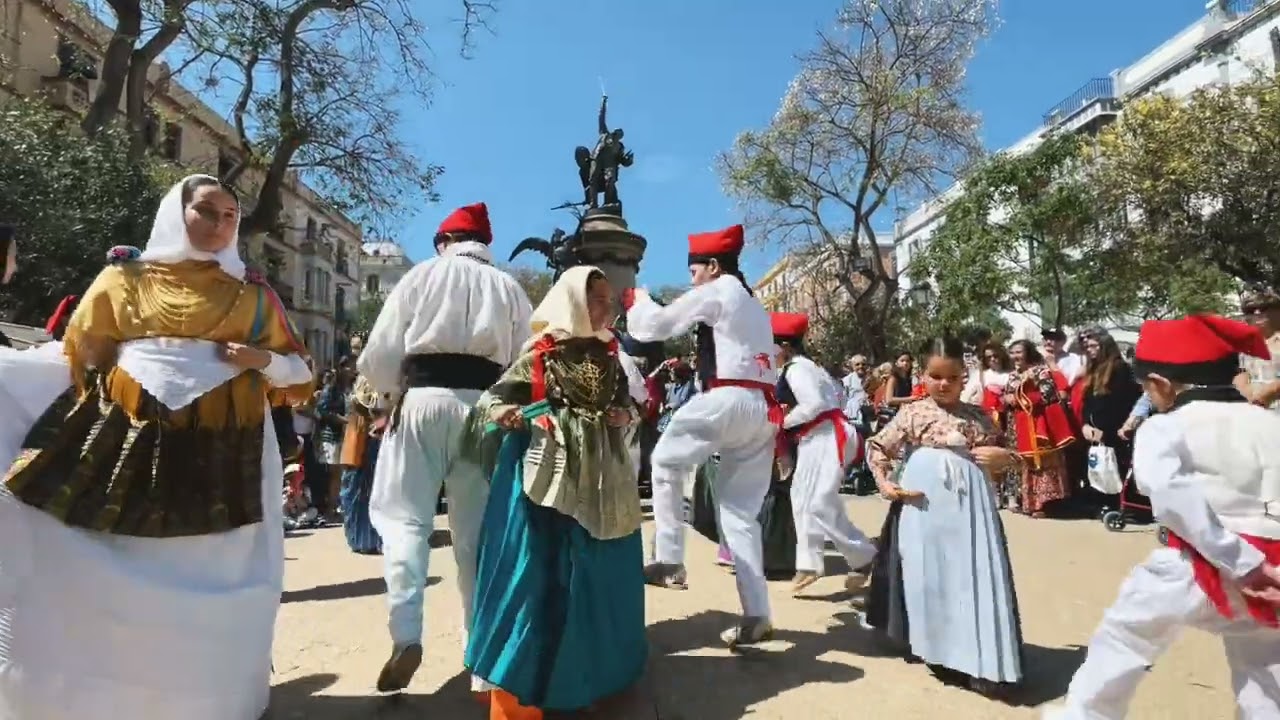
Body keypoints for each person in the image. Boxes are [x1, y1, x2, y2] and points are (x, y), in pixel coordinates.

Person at [0, 174, 313, 719]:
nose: (220, 225)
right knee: (96, 549)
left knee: (219, 563)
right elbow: (78, 354)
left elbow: (299, 371)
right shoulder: (121, 280)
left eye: (231, 216)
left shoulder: (255, 296)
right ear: (178, 212)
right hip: (124, 436)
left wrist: (262, 360)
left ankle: (211, 700)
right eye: (208, 212)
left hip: (227, 443)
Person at [1045, 315, 1280, 719]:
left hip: (1194, 564)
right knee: (1264, 666)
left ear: (1161, 384)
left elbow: (1174, 498)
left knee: (1124, 640)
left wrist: (1239, 560)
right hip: (1272, 567)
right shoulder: (1270, 423)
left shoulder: (1164, 428)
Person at [358, 201, 533, 692]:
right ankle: (481, 659)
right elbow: (524, 363)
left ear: (444, 241)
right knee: (476, 536)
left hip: (421, 401)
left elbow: (379, 354)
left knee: (404, 519)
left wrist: (390, 395)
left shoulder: (421, 276)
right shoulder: (512, 289)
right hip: (484, 408)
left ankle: (406, 632)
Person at [464, 266, 646, 720]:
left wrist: (626, 417)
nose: (608, 309)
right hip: (547, 475)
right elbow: (489, 401)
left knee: (599, 575)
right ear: (573, 303)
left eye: (609, 300)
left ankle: (595, 677)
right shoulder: (541, 355)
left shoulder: (612, 357)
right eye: (598, 300)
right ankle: (528, 685)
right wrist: (509, 413)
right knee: (540, 577)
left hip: (603, 478)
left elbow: (627, 406)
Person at [624, 223, 780, 647]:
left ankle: (670, 558)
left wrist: (636, 298)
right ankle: (757, 612)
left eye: (694, 272)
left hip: (728, 398)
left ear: (712, 265)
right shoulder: (753, 303)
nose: (692, 281)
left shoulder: (720, 289)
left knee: (664, 461)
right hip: (764, 410)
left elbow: (654, 327)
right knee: (739, 516)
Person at [865, 336, 1025, 697]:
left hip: (972, 510)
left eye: (951, 378)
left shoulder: (980, 417)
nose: (943, 384)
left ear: (963, 377)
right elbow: (879, 446)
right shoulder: (913, 412)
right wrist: (885, 482)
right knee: (931, 577)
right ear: (924, 375)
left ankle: (981, 660)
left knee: (973, 576)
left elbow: (1010, 458)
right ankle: (937, 649)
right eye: (935, 376)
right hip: (923, 507)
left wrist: (1005, 459)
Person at [771, 312, 876, 595]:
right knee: (802, 498)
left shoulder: (797, 369)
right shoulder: (805, 367)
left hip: (827, 436)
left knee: (819, 502)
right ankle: (808, 563)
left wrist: (780, 423)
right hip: (816, 438)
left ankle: (867, 557)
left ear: (784, 346)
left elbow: (815, 404)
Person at [1006, 339, 1075, 518]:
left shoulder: (1040, 371)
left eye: (1019, 352)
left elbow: (1049, 394)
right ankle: (1027, 502)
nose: (1015, 356)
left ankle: (1044, 504)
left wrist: (1022, 398)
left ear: (1028, 352)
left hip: (1035, 422)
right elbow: (1007, 395)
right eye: (1012, 352)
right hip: (1017, 424)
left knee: (1042, 463)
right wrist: (1006, 400)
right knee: (1021, 461)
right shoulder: (1012, 375)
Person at [338, 374, 387, 554]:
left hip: (368, 441)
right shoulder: (368, 381)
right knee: (361, 490)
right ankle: (364, 539)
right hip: (363, 440)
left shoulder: (372, 380)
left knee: (367, 490)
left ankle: (366, 539)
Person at [1235, 285, 1280, 412]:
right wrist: (1244, 388)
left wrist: (1274, 389)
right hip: (1257, 414)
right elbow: (1241, 373)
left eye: (1264, 308)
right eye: (1250, 310)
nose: (1257, 313)